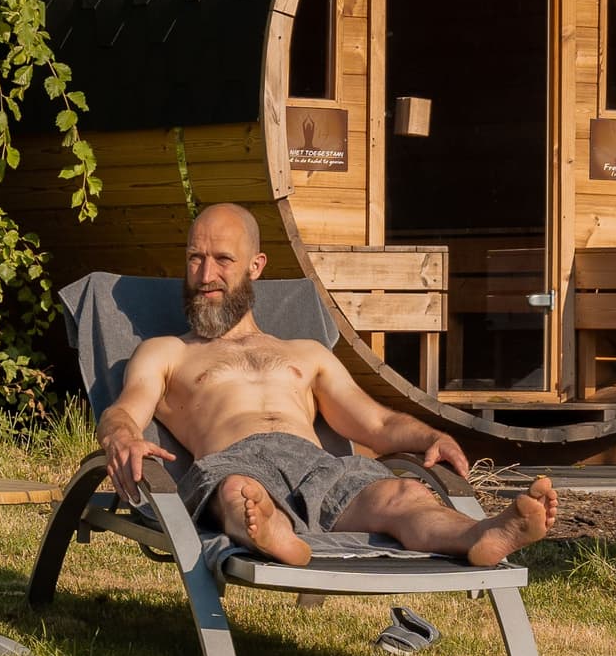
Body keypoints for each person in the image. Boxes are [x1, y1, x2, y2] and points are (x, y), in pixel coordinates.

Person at [97, 201, 558, 569]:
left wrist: (431, 437)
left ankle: (479, 535)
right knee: (238, 492)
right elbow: (124, 410)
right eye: (195, 259)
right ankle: (271, 531)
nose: (205, 276)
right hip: (235, 460)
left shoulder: (307, 353)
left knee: (403, 495)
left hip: (319, 466)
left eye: (222, 260)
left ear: (255, 266)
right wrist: (121, 437)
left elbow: (376, 423)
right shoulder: (167, 352)